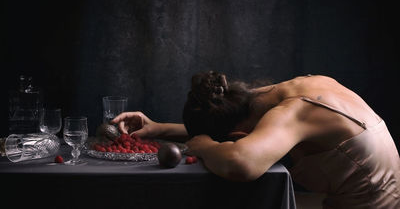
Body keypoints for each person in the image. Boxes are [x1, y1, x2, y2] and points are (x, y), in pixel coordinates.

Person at [111, 71, 400, 209]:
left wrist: (205, 145)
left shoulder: (292, 112)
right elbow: (251, 131)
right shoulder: (276, 94)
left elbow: (241, 163)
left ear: (238, 135)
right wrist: (159, 128)